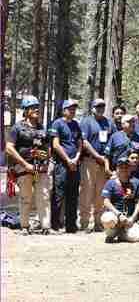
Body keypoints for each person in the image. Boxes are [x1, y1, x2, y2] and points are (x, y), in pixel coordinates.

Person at [5, 95, 52, 233]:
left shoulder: (42, 128)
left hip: (39, 168)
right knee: (26, 197)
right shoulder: (17, 128)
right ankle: (24, 226)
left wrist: (46, 162)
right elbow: (9, 148)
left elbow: (47, 148)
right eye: (33, 107)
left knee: (43, 196)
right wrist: (25, 164)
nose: (36, 109)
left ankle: (45, 226)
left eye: (37, 107)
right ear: (26, 110)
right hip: (23, 168)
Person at [78, 98, 113, 232]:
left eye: (102, 106)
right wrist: (97, 156)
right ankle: (85, 223)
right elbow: (84, 142)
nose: (100, 108)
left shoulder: (108, 122)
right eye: (97, 106)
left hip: (104, 163)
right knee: (87, 192)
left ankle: (99, 222)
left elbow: (113, 139)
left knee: (100, 193)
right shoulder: (86, 121)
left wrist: (106, 159)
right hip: (90, 161)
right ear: (92, 108)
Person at [49, 99, 83, 233]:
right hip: (62, 165)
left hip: (75, 165)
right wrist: (68, 160)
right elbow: (56, 145)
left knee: (73, 195)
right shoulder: (57, 123)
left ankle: (71, 225)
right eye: (70, 109)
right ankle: (55, 225)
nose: (72, 111)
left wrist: (76, 158)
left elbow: (80, 143)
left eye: (74, 109)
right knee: (59, 194)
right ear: (64, 110)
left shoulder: (76, 124)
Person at [100, 157, 139, 243]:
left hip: (128, 219)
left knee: (138, 237)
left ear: (130, 169)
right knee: (108, 219)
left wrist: (133, 218)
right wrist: (119, 214)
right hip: (115, 218)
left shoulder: (136, 183)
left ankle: (122, 234)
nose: (124, 169)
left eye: (126, 167)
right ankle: (112, 234)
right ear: (117, 169)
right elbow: (106, 201)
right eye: (121, 167)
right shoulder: (110, 183)